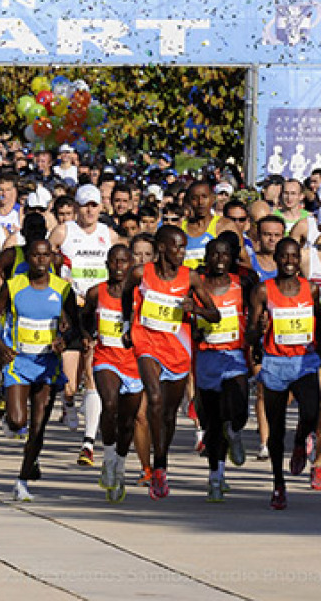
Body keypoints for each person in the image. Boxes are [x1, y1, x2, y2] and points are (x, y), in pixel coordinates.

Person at [121, 225, 220, 500]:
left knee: (167, 414)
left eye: (184, 248)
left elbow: (215, 315)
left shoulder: (190, 278)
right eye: (177, 247)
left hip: (177, 348)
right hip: (147, 342)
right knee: (153, 398)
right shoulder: (141, 273)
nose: (181, 253)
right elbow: (127, 294)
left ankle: (161, 461)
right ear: (162, 248)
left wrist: (196, 309)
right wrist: (127, 324)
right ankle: (156, 471)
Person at [0, 238, 77, 501]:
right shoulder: (14, 286)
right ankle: (4, 396)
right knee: (17, 421)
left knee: (38, 428)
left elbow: (73, 327)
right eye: (35, 256)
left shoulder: (62, 289)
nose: (40, 261)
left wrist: (64, 340)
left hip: (48, 365)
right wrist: (1, 346)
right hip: (19, 362)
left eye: (45, 256)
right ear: (27, 259)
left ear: (52, 258)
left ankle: (22, 481)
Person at [246, 237, 321, 510]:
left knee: (312, 412)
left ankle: (301, 441)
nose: (289, 262)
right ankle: (279, 484)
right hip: (275, 363)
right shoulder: (263, 292)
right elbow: (251, 333)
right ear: (276, 259)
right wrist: (260, 327)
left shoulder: (311, 290)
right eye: (284, 257)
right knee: (276, 430)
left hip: (305, 360)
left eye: (293, 257)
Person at [49, 184, 119, 467]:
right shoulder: (64, 232)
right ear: (76, 207)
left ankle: (88, 443)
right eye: (85, 205)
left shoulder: (109, 235)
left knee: (91, 372)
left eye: (95, 205)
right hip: (70, 309)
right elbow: (44, 259)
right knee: (69, 383)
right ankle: (68, 404)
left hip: (98, 310)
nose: (90, 210)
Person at [193, 236, 252, 502]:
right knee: (213, 422)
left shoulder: (243, 284)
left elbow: (259, 313)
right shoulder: (197, 286)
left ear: (232, 258)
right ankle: (215, 478)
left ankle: (237, 432)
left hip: (235, 355)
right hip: (207, 358)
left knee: (238, 406)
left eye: (225, 255)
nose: (219, 260)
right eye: (214, 255)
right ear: (207, 257)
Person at [84, 244, 143, 503]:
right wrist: (87, 335)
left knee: (127, 421)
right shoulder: (96, 292)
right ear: (107, 264)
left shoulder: (142, 295)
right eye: (114, 262)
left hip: (134, 363)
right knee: (109, 404)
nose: (119, 267)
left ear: (131, 265)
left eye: (123, 262)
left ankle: (119, 465)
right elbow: (83, 316)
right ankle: (108, 459)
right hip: (105, 358)